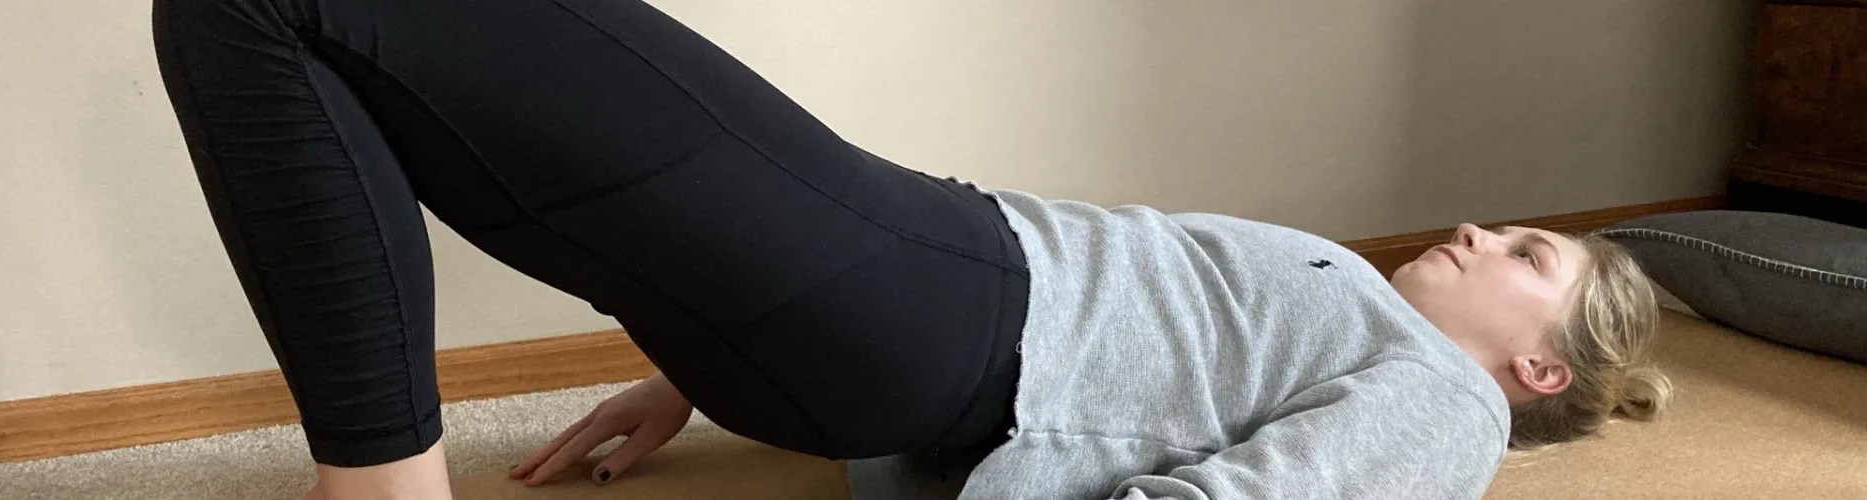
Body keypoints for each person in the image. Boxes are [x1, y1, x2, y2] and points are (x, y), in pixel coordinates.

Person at [149, 0, 1673, 498]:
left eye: (1530, 254)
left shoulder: (1449, 404)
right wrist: (693, 369)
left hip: (937, 298)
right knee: (293, 32)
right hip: (906, 287)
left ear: (1542, 368)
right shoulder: (1366, 321)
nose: (1480, 230)